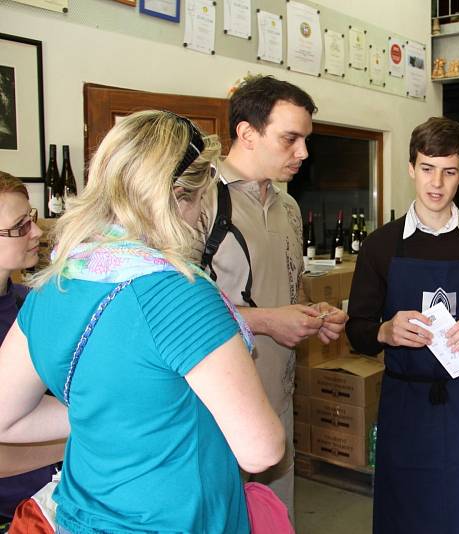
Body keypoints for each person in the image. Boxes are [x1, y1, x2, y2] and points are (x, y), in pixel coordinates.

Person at [0, 111, 285, 533]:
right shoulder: (181, 295)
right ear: (177, 196)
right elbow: (261, 450)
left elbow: (6, 417)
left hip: (82, 518)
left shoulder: (55, 284)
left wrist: (120, 413)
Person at [346, 117, 459, 534]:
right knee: (406, 512)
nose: (436, 183)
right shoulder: (382, 245)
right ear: (411, 167)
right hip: (405, 403)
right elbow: (357, 328)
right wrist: (383, 331)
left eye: (448, 172)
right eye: (427, 168)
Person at [199, 74, 347, 517]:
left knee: (273, 517)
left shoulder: (289, 207)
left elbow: (288, 285)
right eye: (290, 139)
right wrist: (267, 321)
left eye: (305, 139)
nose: (302, 153)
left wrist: (311, 313)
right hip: (217, 406)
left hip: (279, 399)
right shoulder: (199, 201)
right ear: (247, 132)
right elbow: (176, 310)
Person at [0, 171, 65, 525]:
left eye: (33, 219)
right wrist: (91, 438)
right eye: (20, 226)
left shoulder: (33, 305)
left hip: (49, 503)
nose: (37, 233)